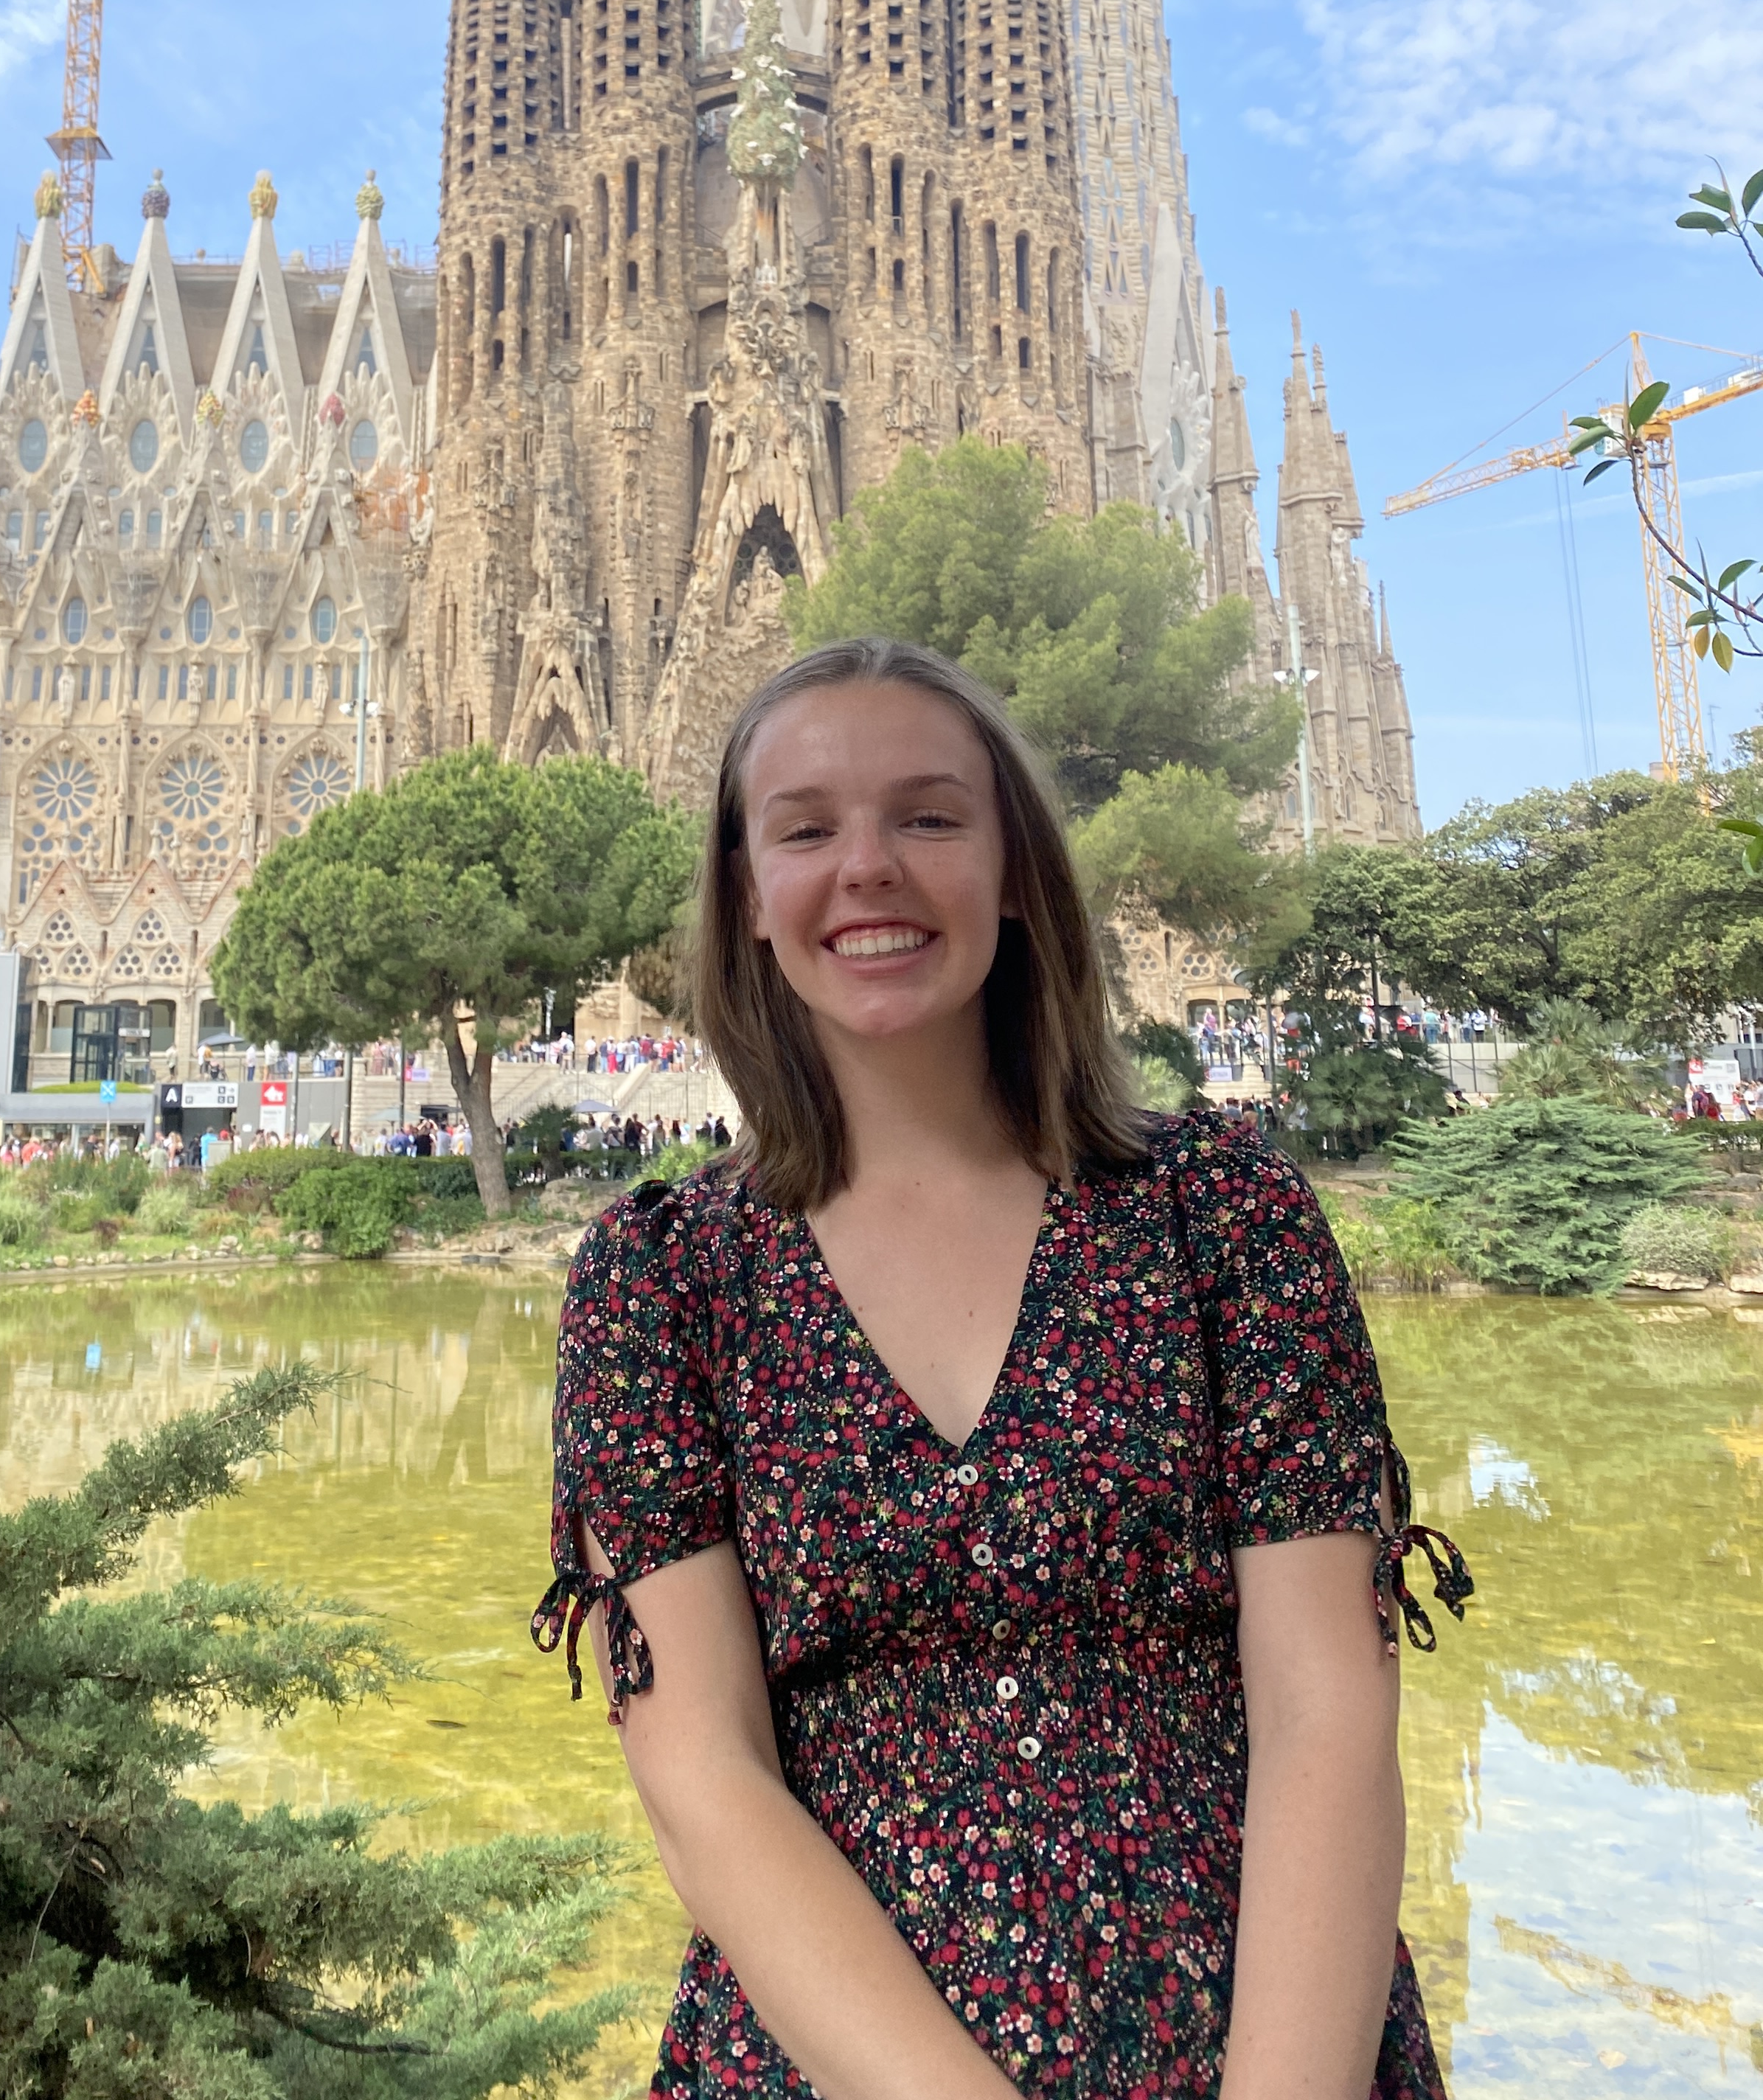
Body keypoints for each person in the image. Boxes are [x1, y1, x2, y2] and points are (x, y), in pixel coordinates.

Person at [534, 636, 1470, 2099]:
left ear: (1016, 870)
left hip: (1265, 2042)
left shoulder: (1220, 1213)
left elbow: (1329, 1705)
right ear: (747, 901)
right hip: (838, 2058)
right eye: (805, 830)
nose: (868, 869)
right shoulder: (660, 1281)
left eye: (929, 816)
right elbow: (701, 1773)